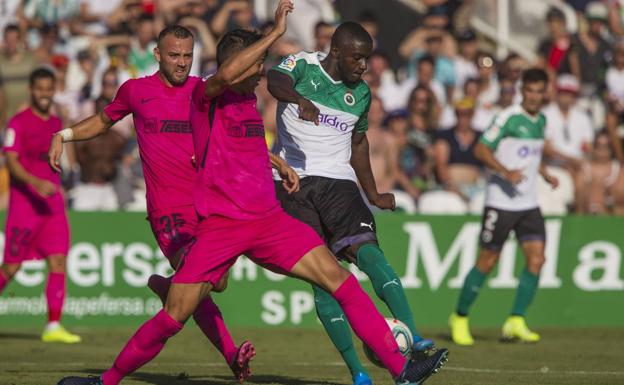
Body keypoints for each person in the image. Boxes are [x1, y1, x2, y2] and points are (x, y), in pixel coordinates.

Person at [57, 2, 449, 384]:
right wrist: (275, 34)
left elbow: (245, 149)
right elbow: (224, 75)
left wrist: (276, 162)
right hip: (223, 227)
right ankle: (106, 381)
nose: (262, 72)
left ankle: (401, 371)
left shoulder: (247, 102)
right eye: (256, 64)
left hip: (270, 221)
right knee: (174, 315)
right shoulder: (204, 99)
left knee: (339, 279)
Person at [48, 24, 257, 382]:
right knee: (204, 279)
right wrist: (63, 134)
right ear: (157, 55)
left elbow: (233, 138)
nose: (181, 63)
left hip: (208, 208)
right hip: (168, 213)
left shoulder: (203, 91)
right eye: (174, 55)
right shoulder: (136, 91)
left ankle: (173, 290)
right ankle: (225, 349)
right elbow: (101, 121)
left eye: (188, 56)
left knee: (206, 286)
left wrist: (271, 160)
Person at [267, 21, 440, 385]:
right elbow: (274, 82)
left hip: (340, 184)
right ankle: (358, 372)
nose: (364, 66)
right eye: (358, 58)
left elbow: (358, 144)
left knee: (371, 254)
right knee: (322, 278)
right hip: (293, 182)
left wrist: (373, 193)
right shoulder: (302, 66)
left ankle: (413, 334)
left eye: (367, 59)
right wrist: (299, 99)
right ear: (337, 53)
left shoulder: (360, 93)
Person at [449, 68, 559, 345]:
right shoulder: (507, 118)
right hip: (501, 202)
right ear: (523, 90)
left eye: (539, 91)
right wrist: (506, 171)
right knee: (487, 261)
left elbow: (531, 155)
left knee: (537, 259)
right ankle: (459, 317)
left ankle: (516, 320)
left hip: (528, 203)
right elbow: (481, 149)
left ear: (545, 92)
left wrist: (544, 172)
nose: (534, 96)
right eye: (530, 90)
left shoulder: (542, 120)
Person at [0, 68, 80, 344]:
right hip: (25, 207)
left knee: (58, 261)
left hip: (52, 207)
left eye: (49, 88)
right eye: (40, 89)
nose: (45, 93)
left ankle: (53, 325)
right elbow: (11, 162)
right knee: (10, 268)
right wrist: (35, 182)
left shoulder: (57, 124)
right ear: (32, 91)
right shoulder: (17, 123)